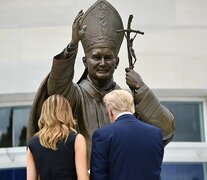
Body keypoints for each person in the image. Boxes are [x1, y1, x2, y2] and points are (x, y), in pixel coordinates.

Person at [27, 0, 175, 164]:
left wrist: (142, 89)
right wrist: (73, 44)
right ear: (85, 61)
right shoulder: (76, 95)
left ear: (117, 62)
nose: (103, 63)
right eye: (97, 57)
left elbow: (165, 130)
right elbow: (56, 88)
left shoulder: (126, 102)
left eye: (108, 57)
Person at [90, 89, 164, 180]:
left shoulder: (102, 135)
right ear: (132, 108)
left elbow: (98, 175)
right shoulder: (155, 133)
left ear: (110, 111)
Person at [26, 94, 89, 180]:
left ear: (44, 114)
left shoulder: (33, 144)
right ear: (67, 113)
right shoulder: (77, 140)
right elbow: (83, 178)